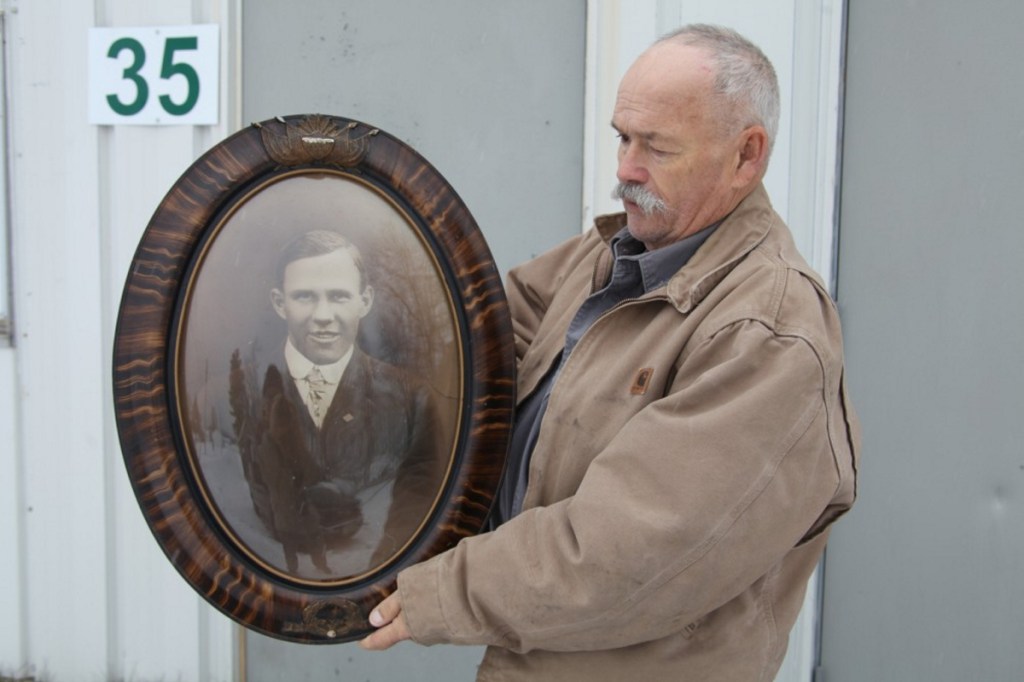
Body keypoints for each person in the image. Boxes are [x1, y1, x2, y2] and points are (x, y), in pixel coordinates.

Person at [360, 23, 861, 681]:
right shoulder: (613, 256)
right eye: (623, 137)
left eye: (656, 146)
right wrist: (355, 328)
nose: (625, 169)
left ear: (746, 155)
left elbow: (628, 555)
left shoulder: (767, 334)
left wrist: (438, 592)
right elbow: (474, 338)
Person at [237, 229, 443, 576]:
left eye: (338, 296)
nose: (323, 314)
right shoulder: (245, 390)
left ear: (365, 301)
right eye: (305, 296)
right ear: (279, 302)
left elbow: (419, 507)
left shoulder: (412, 399)